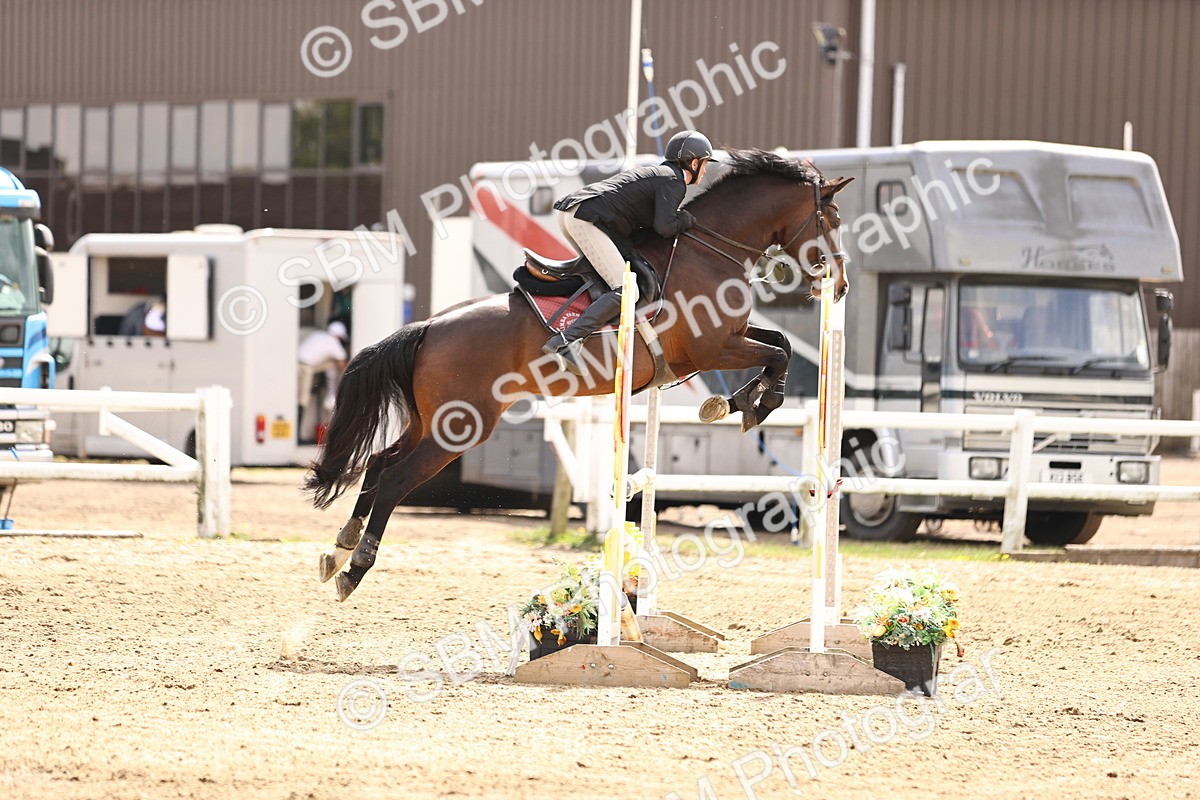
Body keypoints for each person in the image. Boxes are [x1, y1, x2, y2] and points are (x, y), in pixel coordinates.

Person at [541, 129, 718, 377]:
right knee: (625, 290)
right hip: (587, 218)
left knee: (614, 277)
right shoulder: (673, 181)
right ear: (694, 162)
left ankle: (585, 334)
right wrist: (686, 220)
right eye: (706, 163)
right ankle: (565, 340)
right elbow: (665, 227)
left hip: (577, 214)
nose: (706, 170)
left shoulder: (662, 175)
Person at [298, 320, 350, 437]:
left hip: (297, 364)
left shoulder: (319, 335)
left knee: (332, 364)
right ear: (339, 337)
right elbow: (344, 367)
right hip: (304, 367)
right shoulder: (334, 343)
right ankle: (297, 435)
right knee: (302, 401)